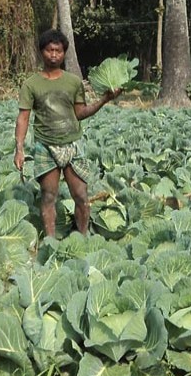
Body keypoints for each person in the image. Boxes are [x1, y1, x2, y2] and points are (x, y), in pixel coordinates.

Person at [14, 29, 121, 238]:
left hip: (72, 145)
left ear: (64, 53)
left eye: (58, 51)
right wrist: (19, 149)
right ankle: (51, 241)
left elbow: (80, 113)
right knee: (48, 196)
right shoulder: (31, 84)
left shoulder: (73, 82)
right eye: (49, 50)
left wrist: (104, 100)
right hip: (45, 146)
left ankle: (82, 237)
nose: (54, 55)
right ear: (41, 52)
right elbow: (23, 118)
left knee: (81, 195)